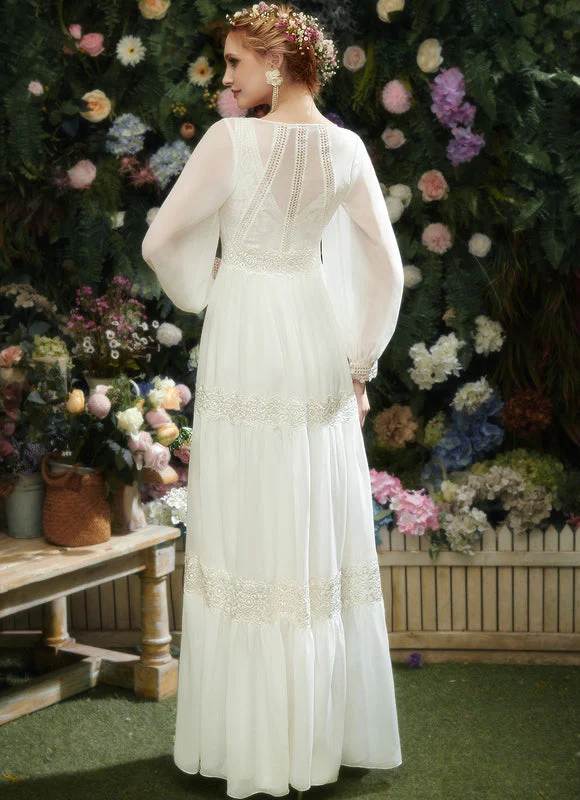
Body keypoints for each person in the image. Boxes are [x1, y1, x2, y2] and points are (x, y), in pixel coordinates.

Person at [141, 3, 405, 798]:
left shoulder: (231, 141)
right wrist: (360, 361)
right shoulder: (347, 149)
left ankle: (250, 741)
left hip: (249, 327)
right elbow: (385, 268)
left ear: (278, 63)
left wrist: (206, 283)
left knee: (249, 514)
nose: (225, 79)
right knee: (307, 518)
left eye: (234, 62)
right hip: (314, 329)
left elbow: (161, 242)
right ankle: (312, 736)